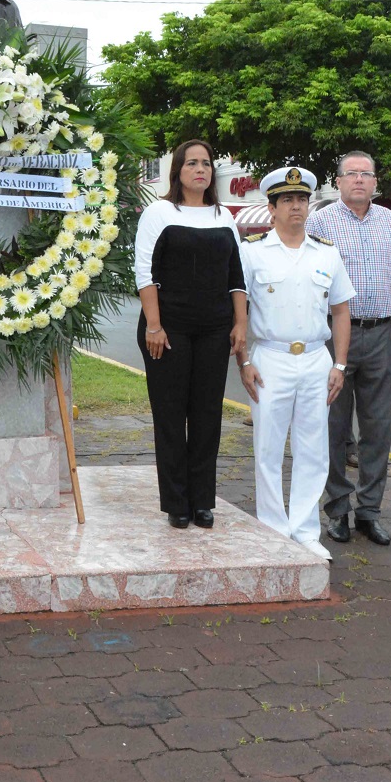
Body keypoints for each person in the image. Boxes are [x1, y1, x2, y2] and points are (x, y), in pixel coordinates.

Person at [232, 168, 351, 550]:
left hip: (317, 358)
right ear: (271, 208)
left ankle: (304, 530)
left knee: (313, 449)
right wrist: (244, 361)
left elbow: (341, 311)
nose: (296, 206)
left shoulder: (327, 252)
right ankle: (272, 529)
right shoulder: (251, 252)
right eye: (287, 200)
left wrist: (340, 364)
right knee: (267, 448)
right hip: (270, 358)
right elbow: (240, 311)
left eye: (302, 199)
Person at [133, 139, 244, 528]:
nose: (201, 169)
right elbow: (145, 273)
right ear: (177, 170)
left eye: (207, 163)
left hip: (214, 329)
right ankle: (176, 503)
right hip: (167, 330)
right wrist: (154, 324)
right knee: (170, 415)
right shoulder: (159, 212)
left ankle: (202, 501)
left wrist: (240, 323)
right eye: (192, 163)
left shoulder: (224, 216)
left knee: (207, 416)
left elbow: (236, 277)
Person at [308, 150, 391, 546]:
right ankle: (337, 509)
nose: (360, 181)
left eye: (367, 174)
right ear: (339, 181)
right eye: (352, 174)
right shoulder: (320, 220)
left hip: (382, 332)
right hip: (334, 335)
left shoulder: (389, 220)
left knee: (378, 427)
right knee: (333, 425)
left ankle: (369, 510)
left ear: (376, 182)